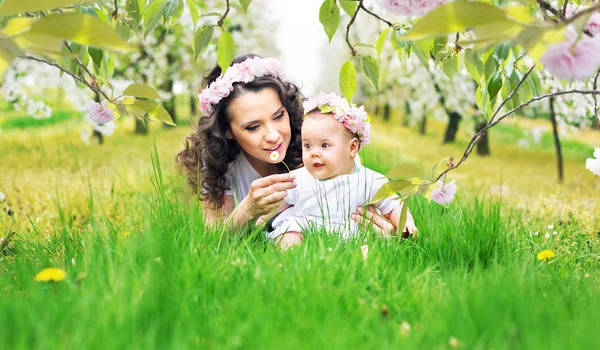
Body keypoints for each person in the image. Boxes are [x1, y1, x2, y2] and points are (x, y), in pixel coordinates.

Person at [177, 54, 403, 235]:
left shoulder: (322, 149)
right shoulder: (222, 164)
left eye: (278, 116)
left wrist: (387, 232)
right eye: (253, 127)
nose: (273, 136)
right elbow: (212, 241)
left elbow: (368, 217)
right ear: (228, 131)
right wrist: (247, 210)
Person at [267, 92, 418, 248]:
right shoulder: (298, 179)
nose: (314, 153)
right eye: (307, 146)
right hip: (306, 227)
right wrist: (259, 220)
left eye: (325, 145)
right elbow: (274, 205)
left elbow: (394, 206)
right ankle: (289, 259)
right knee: (289, 233)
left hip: (349, 235)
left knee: (366, 246)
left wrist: (406, 224)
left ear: (352, 148)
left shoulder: (370, 181)